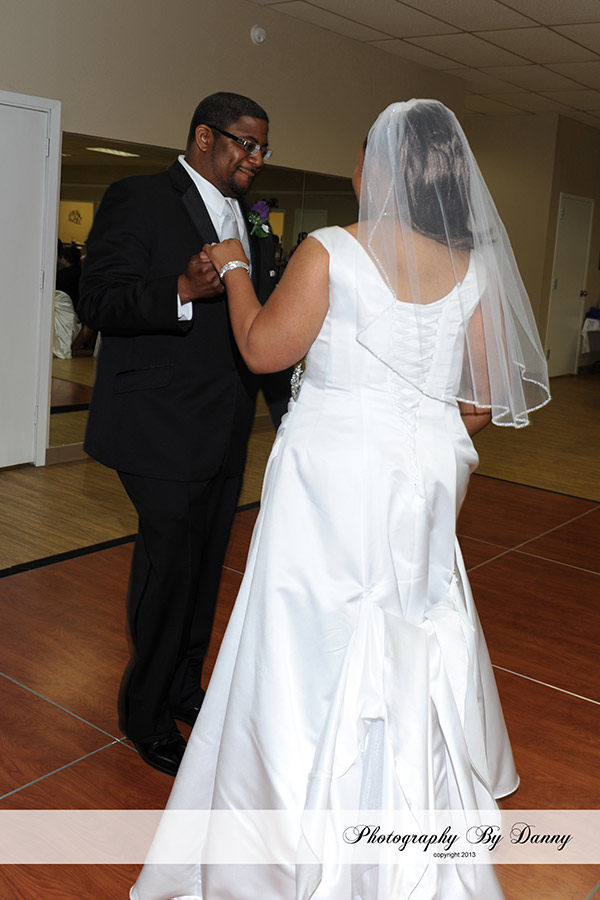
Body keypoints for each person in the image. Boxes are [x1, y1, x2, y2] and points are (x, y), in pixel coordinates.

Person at [131, 100, 550, 899]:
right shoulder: (475, 269)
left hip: (330, 480)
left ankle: (288, 818)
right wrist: (416, 426)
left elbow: (263, 350)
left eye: (363, 157)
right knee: (404, 622)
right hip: (420, 482)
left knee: (308, 635)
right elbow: (482, 401)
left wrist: (237, 270)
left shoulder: (332, 250)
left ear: (379, 168)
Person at [78, 92, 292, 777]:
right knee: (170, 569)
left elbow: (261, 328)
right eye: (245, 143)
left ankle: (183, 689)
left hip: (225, 428)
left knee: (203, 572)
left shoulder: (256, 224)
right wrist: (179, 286)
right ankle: (144, 714)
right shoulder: (139, 197)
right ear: (204, 137)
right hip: (157, 426)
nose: (255, 158)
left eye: (262, 147)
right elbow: (98, 300)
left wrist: (290, 418)